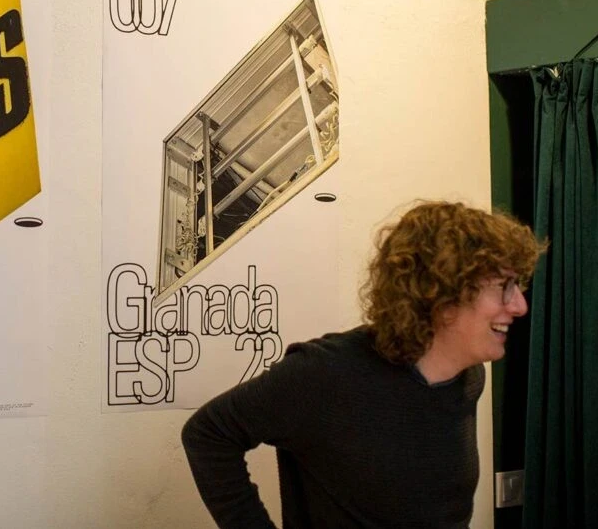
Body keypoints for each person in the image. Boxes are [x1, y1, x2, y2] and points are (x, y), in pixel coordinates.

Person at [181, 200, 547, 528]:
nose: (520, 306)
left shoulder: (469, 375)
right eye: (504, 286)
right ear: (441, 292)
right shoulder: (326, 373)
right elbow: (209, 434)